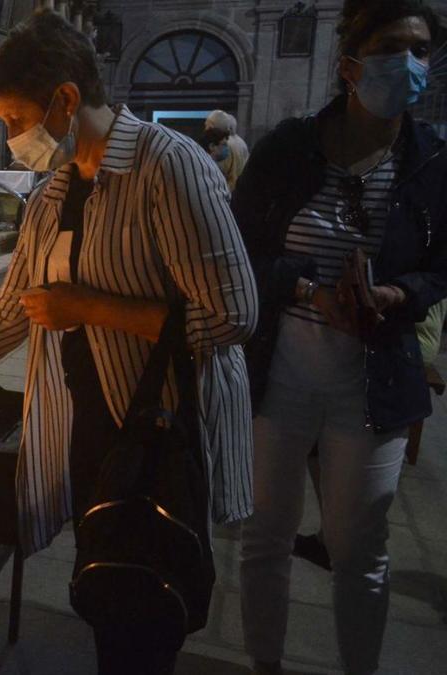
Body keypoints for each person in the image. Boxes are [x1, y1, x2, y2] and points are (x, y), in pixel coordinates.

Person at [0, 8, 258, 673]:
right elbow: (8, 316)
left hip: (161, 431)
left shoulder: (169, 167)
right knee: (107, 593)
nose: (12, 139)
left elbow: (234, 315)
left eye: (16, 121)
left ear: (66, 100)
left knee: (149, 608)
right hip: (91, 430)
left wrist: (92, 307)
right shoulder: (51, 196)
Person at [233, 0, 447, 672]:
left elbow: (440, 267)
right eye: (393, 46)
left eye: (422, 48)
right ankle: (265, 663)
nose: (411, 63)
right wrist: (305, 286)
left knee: (360, 551)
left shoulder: (432, 160)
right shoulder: (288, 148)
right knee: (266, 537)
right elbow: (239, 253)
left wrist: (398, 293)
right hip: (282, 371)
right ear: (352, 64)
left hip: (374, 376)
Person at [203, 110, 251, 191]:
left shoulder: (222, 145)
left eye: (207, 126)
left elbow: (216, 175)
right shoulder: (241, 141)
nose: (206, 129)